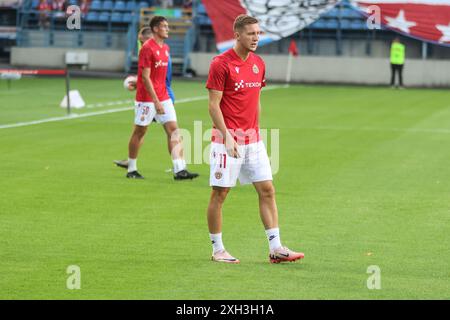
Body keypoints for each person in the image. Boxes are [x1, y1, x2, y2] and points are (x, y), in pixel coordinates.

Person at [205, 14, 305, 264]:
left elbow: (255, 100)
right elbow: (213, 106)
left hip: (253, 140)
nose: (256, 38)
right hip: (226, 141)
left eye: (258, 33)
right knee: (220, 193)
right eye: (251, 33)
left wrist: (256, 130)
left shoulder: (258, 63)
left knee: (268, 190)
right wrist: (227, 137)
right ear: (237, 35)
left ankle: (276, 248)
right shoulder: (220, 63)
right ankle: (218, 249)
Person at [118, 17, 198, 180]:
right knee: (140, 131)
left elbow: (158, 77)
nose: (168, 29)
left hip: (163, 95)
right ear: (155, 29)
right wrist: (155, 101)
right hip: (147, 99)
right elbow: (146, 78)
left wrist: (164, 98)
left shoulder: (166, 48)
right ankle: (131, 169)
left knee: (174, 131)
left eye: (168, 26)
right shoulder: (147, 49)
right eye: (164, 27)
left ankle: (179, 170)